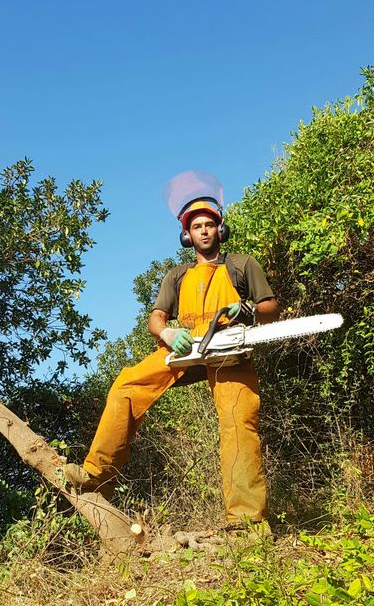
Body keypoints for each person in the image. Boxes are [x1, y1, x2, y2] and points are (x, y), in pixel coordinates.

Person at [63, 171, 279, 530]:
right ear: (187, 235)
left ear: (220, 230)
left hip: (229, 348)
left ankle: (247, 523)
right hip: (187, 348)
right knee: (127, 385)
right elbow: (156, 318)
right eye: (197, 227)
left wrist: (250, 311)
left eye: (210, 224)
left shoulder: (242, 264)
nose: (205, 231)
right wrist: (167, 333)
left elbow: (272, 307)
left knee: (237, 424)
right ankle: (95, 475)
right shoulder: (176, 275)